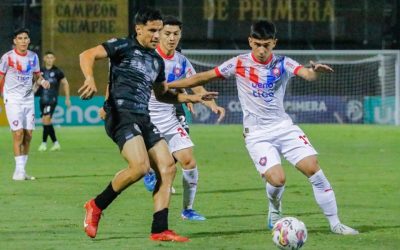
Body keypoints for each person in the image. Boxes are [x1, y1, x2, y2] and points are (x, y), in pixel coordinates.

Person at [168, 20, 359, 235]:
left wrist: (316, 71)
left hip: (284, 127)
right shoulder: (238, 63)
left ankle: (336, 224)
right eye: (257, 44)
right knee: (278, 180)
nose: (261, 49)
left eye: (266, 45)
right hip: (257, 134)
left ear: (274, 43)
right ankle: (275, 209)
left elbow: (306, 74)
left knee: (313, 168)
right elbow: (204, 76)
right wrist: (168, 86)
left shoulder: (283, 63)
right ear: (250, 41)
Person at [78, 8, 217, 242]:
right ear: (138, 29)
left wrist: (189, 98)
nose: (156, 35)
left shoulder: (156, 60)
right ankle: (96, 205)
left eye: (159, 31)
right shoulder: (121, 46)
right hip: (120, 114)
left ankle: (159, 229)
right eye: (152, 30)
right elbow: (86, 54)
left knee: (168, 166)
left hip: (143, 117)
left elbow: (163, 94)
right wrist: (89, 78)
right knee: (141, 167)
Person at [143, 15, 225, 221]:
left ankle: (187, 210)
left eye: (176, 34)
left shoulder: (181, 61)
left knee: (188, 161)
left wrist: (212, 104)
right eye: (167, 33)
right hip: (146, 118)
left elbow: (195, 83)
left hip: (169, 117)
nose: (171, 38)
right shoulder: (149, 58)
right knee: (156, 165)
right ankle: (149, 174)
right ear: (159, 34)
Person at [0, 28, 50, 181]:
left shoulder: (33, 57)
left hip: (28, 100)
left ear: (29, 40)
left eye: (25, 38)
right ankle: (19, 171)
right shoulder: (7, 58)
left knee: (28, 135)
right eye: (20, 38)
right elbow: (1, 78)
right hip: (12, 99)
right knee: (18, 133)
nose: (23, 41)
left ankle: (22, 170)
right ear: (15, 41)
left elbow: (37, 76)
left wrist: (43, 81)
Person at [37, 51, 71, 152]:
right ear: (44, 59)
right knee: (46, 121)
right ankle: (56, 143)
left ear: (54, 59)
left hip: (52, 99)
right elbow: (36, 82)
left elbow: (65, 83)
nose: (50, 59)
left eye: (51, 58)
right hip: (42, 99)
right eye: (48, 57)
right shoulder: (40, 71)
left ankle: (43, 143)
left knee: (46, 119)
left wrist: (67, 98)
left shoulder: (57, 71)